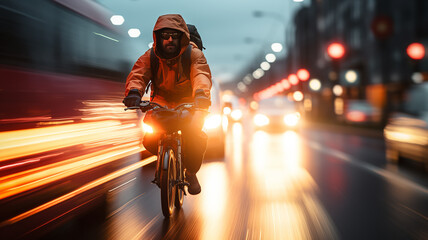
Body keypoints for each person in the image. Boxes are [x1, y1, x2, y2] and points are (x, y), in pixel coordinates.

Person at [123, 14, 212, 195]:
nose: (170, 39)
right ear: (158, 37)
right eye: (165, 36)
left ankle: (190, 172)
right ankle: (169, 161)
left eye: (174, 35)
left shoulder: (194, 54)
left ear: (182, 37)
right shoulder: (151, 56)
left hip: (189, 101)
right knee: (149, 139)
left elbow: (200, 75)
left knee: (194, 136)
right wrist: (133, 93)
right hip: (161, 102)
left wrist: (201, 95)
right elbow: (138, 75)